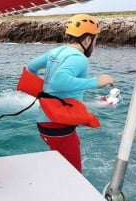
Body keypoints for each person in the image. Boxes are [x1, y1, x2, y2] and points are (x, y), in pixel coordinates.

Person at [27, 14, 115, 173]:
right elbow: (58, 81)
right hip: (58, 126)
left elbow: (31, 67)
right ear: (87, 40)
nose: (95, 44)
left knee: (61, 164)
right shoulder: (79, 58)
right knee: (74, 173)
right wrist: (96, 82)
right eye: (95, 40)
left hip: (45, 121)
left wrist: (44, 92)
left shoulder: (56, 51)